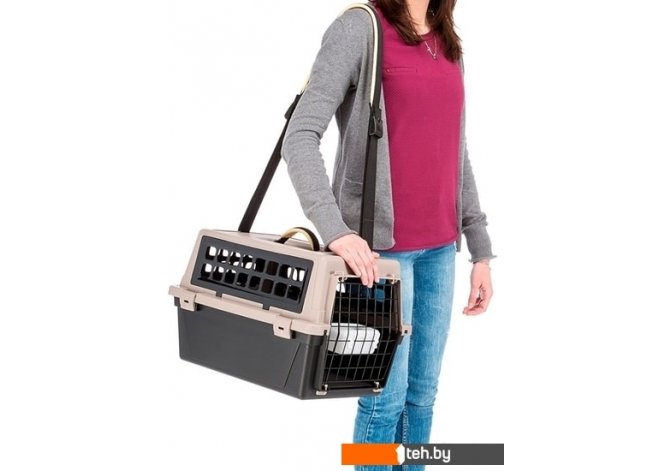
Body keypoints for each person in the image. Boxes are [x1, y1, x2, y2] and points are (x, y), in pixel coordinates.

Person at [281, 1, 495, 469]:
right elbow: (299, 136)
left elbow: (456, 150)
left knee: (422, 397)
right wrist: (335, 230)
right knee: (384, 400)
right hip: (378, 259)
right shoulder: (360, 28)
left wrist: (479, 248)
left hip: (441, 250)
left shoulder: (448, 40)